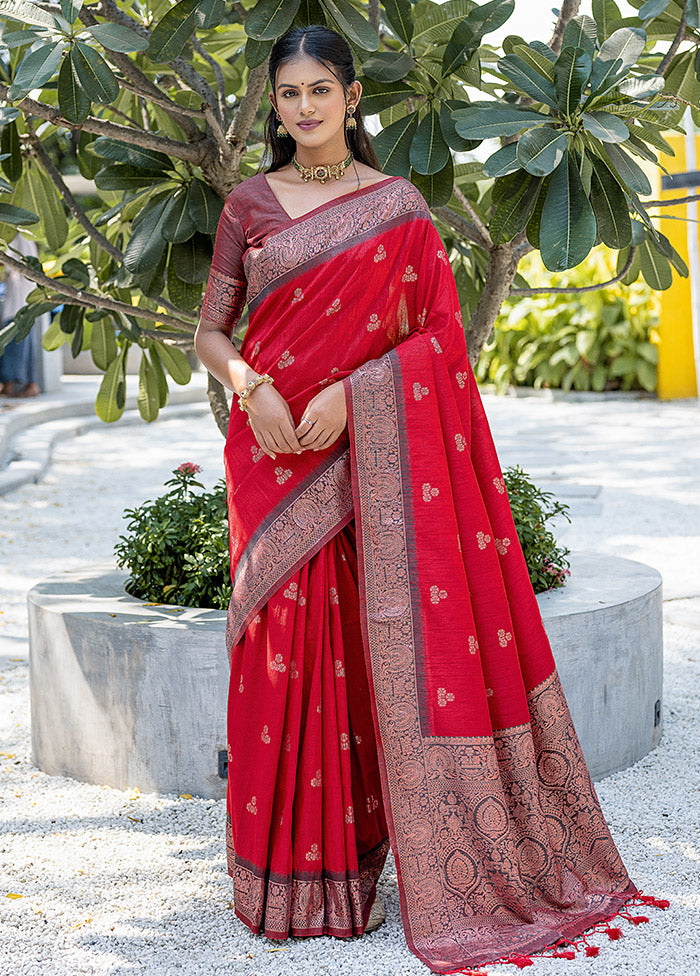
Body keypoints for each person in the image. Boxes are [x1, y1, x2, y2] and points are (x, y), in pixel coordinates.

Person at [194, 24, 653, 973]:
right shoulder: (247, 202)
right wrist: (254, 385)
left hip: (361, 455)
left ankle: (356, 875)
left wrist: (349, 398)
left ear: (354, 97)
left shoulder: (398, 208)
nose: (306, 109)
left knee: (365, 655)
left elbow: (441, 337)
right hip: (271, 455)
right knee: (281, 657)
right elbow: (211, 332)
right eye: (289, 95)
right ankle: (280, 878)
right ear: (273, 105)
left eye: (322, 90)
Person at [0, 231, 41, 398]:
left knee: (14, 338)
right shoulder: (24, 236)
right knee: (24, 340)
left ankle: (11, 385)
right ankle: (23, 384)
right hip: (21, 294)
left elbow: (5, 261)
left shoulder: (19, 237)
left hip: (21, 296)